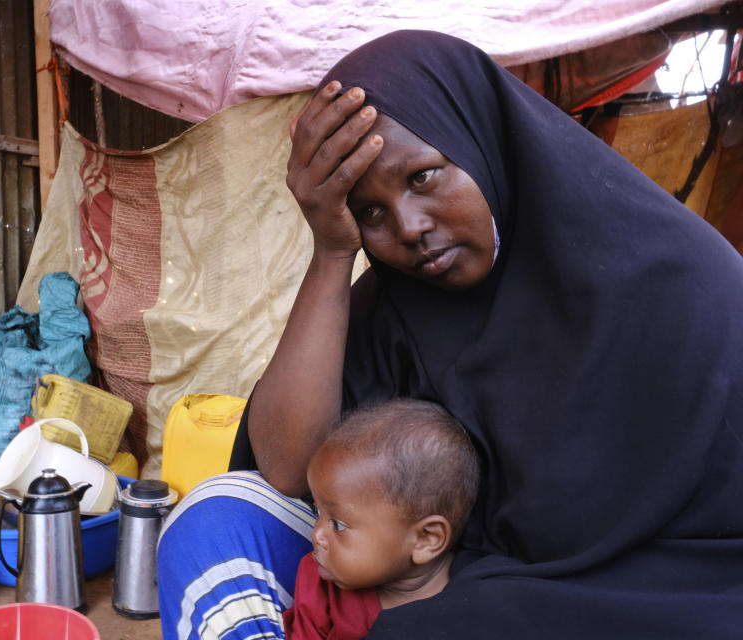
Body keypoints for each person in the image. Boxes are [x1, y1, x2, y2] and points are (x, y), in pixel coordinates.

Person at [157, 29, 743, 639]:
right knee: (216, 517)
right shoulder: (399, 303)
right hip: (439, 576)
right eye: (370, 212)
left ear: (481, 140)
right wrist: (332, 252)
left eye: (423, 177)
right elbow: (285, 470)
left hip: (634, 592)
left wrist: (465, 600)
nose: (409, 228)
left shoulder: (677, 285)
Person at [282, 399, 479, 640]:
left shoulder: (480, 596)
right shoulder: (322, 593)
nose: (316, 535)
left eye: (338, 524)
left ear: (426, 539)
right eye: (317, 512)